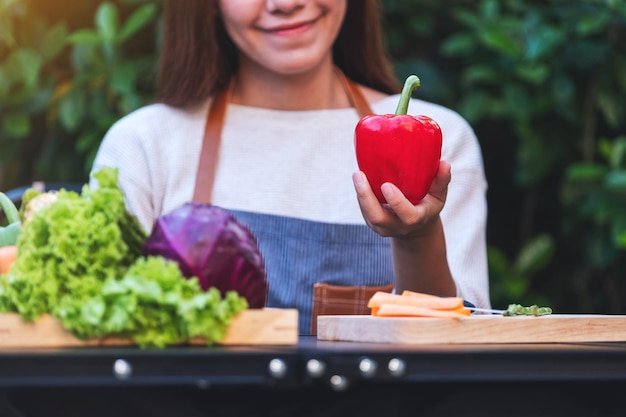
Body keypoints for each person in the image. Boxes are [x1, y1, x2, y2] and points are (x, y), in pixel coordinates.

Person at [90, 0, 491, 334]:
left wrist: (417, 237)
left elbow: (463, 343)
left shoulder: (439, 141)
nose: (285, 4)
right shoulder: (144, 144)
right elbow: (104, 331)